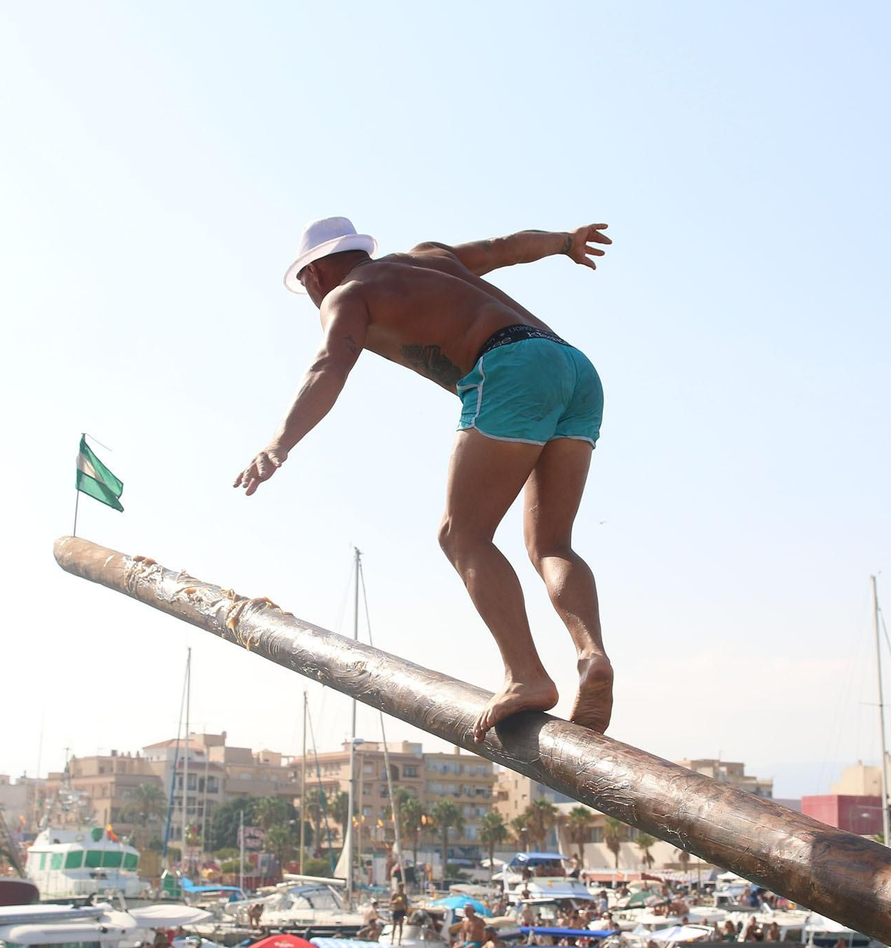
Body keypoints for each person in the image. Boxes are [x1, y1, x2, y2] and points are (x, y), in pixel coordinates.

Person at [238, 218, 616, 740]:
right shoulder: (430, 256)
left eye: (304, 282)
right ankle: (591, 656)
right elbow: (503, 248)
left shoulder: (345, 296)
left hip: (511, 366)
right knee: (551, 542)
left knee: (461, 535)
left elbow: (329, 365)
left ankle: (526, 676)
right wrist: (566, 244)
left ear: (317, 271)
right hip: (574, 367)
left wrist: (277, 444)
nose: (308, 292)